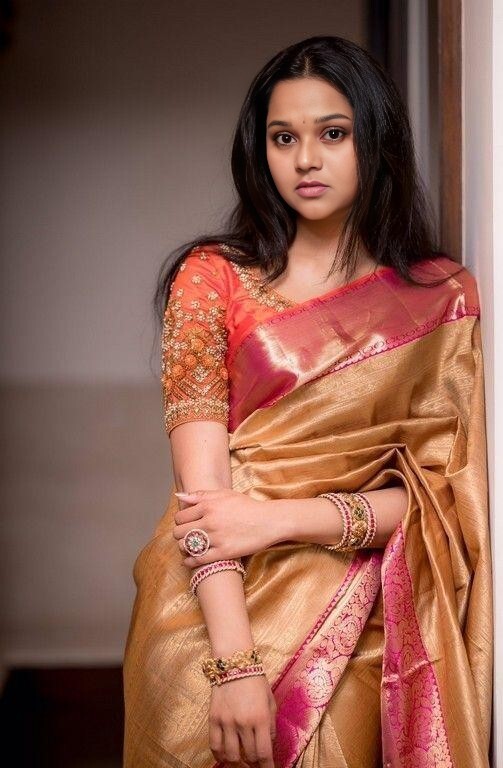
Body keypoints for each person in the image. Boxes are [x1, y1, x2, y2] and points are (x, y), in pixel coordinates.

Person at [122, 35, 492, 768]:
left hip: (360, 623)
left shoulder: (438, 299)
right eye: (283, 138)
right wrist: (234, 668)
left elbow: (442, 503)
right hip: (208, 615)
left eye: (333, 133)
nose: (305, 159)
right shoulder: (212, 278)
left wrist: (280, 519)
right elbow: (202, 494)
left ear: (375, 140)